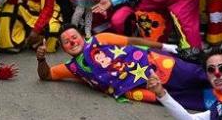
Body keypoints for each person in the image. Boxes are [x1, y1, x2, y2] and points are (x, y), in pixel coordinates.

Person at [35, 26, 207, 109]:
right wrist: (41, 60)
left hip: (154, 64)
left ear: (83, 37)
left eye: (74, 37)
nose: (72, 42)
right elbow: (47, 75)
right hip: (142, 88)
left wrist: (166, 47)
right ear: (63, 49)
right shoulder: (73, 67)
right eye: (67, 42)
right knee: (189, 99)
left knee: (195, 75)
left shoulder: (100, 38)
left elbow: (133, 41)